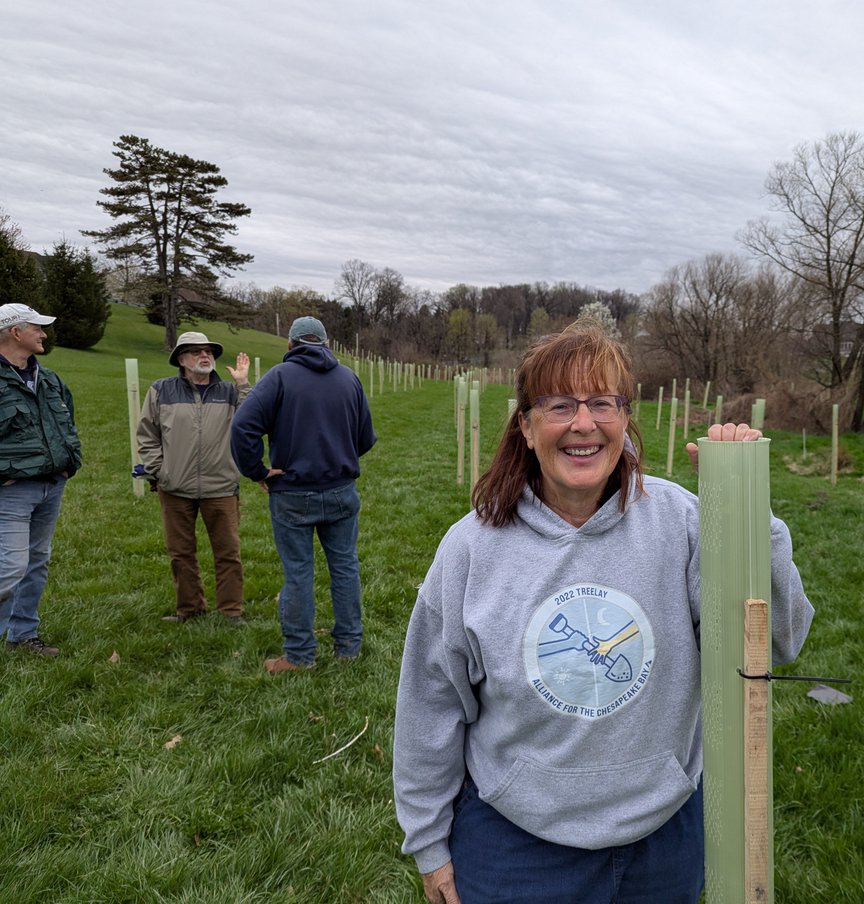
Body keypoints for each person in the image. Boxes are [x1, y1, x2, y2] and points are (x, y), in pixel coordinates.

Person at [392, 322, 814, 904]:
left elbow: (778, 643)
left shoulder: (684, 523)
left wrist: (746, 514)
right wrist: (429, 843)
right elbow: (430, 700)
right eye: (560, 404)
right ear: (526, 424)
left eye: (602, 403)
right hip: (517, 844)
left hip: (662, 838)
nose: (583, 423)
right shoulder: (472, 549)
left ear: (625, 418)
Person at [230, 316, 376, 674]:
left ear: (291, 345)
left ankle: (299, 656)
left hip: (293, 493)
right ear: (326, 344)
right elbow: (365, 437)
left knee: (298, 572)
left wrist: (257, 471)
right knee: (345, 568)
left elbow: (243, 426)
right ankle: (349, 648)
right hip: (341, 490)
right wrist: (338, 456)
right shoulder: (348, 378)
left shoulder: (279, 378)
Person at [137, 331, 251, 624]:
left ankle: (231, 612)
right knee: (180, 554)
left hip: (222, 486)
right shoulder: (161, 390)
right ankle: (189, 609)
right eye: (196, 352)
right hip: (175, 487)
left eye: (209, 352)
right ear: (181, 360)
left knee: (228, 553)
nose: (205, 356)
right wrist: (160, 471)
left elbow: (252, 421)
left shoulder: (228, 391)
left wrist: (243, 385)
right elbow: (147, 435)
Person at [0, 303, 82, 657]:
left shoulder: (49, 380)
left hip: (52, 486)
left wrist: (69, 464)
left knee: (36, 562)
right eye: (37, 328)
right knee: (10, 566)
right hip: (11, 490)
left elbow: (68, 424)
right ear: (15, 332)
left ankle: (21, 635)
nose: (44, 333)